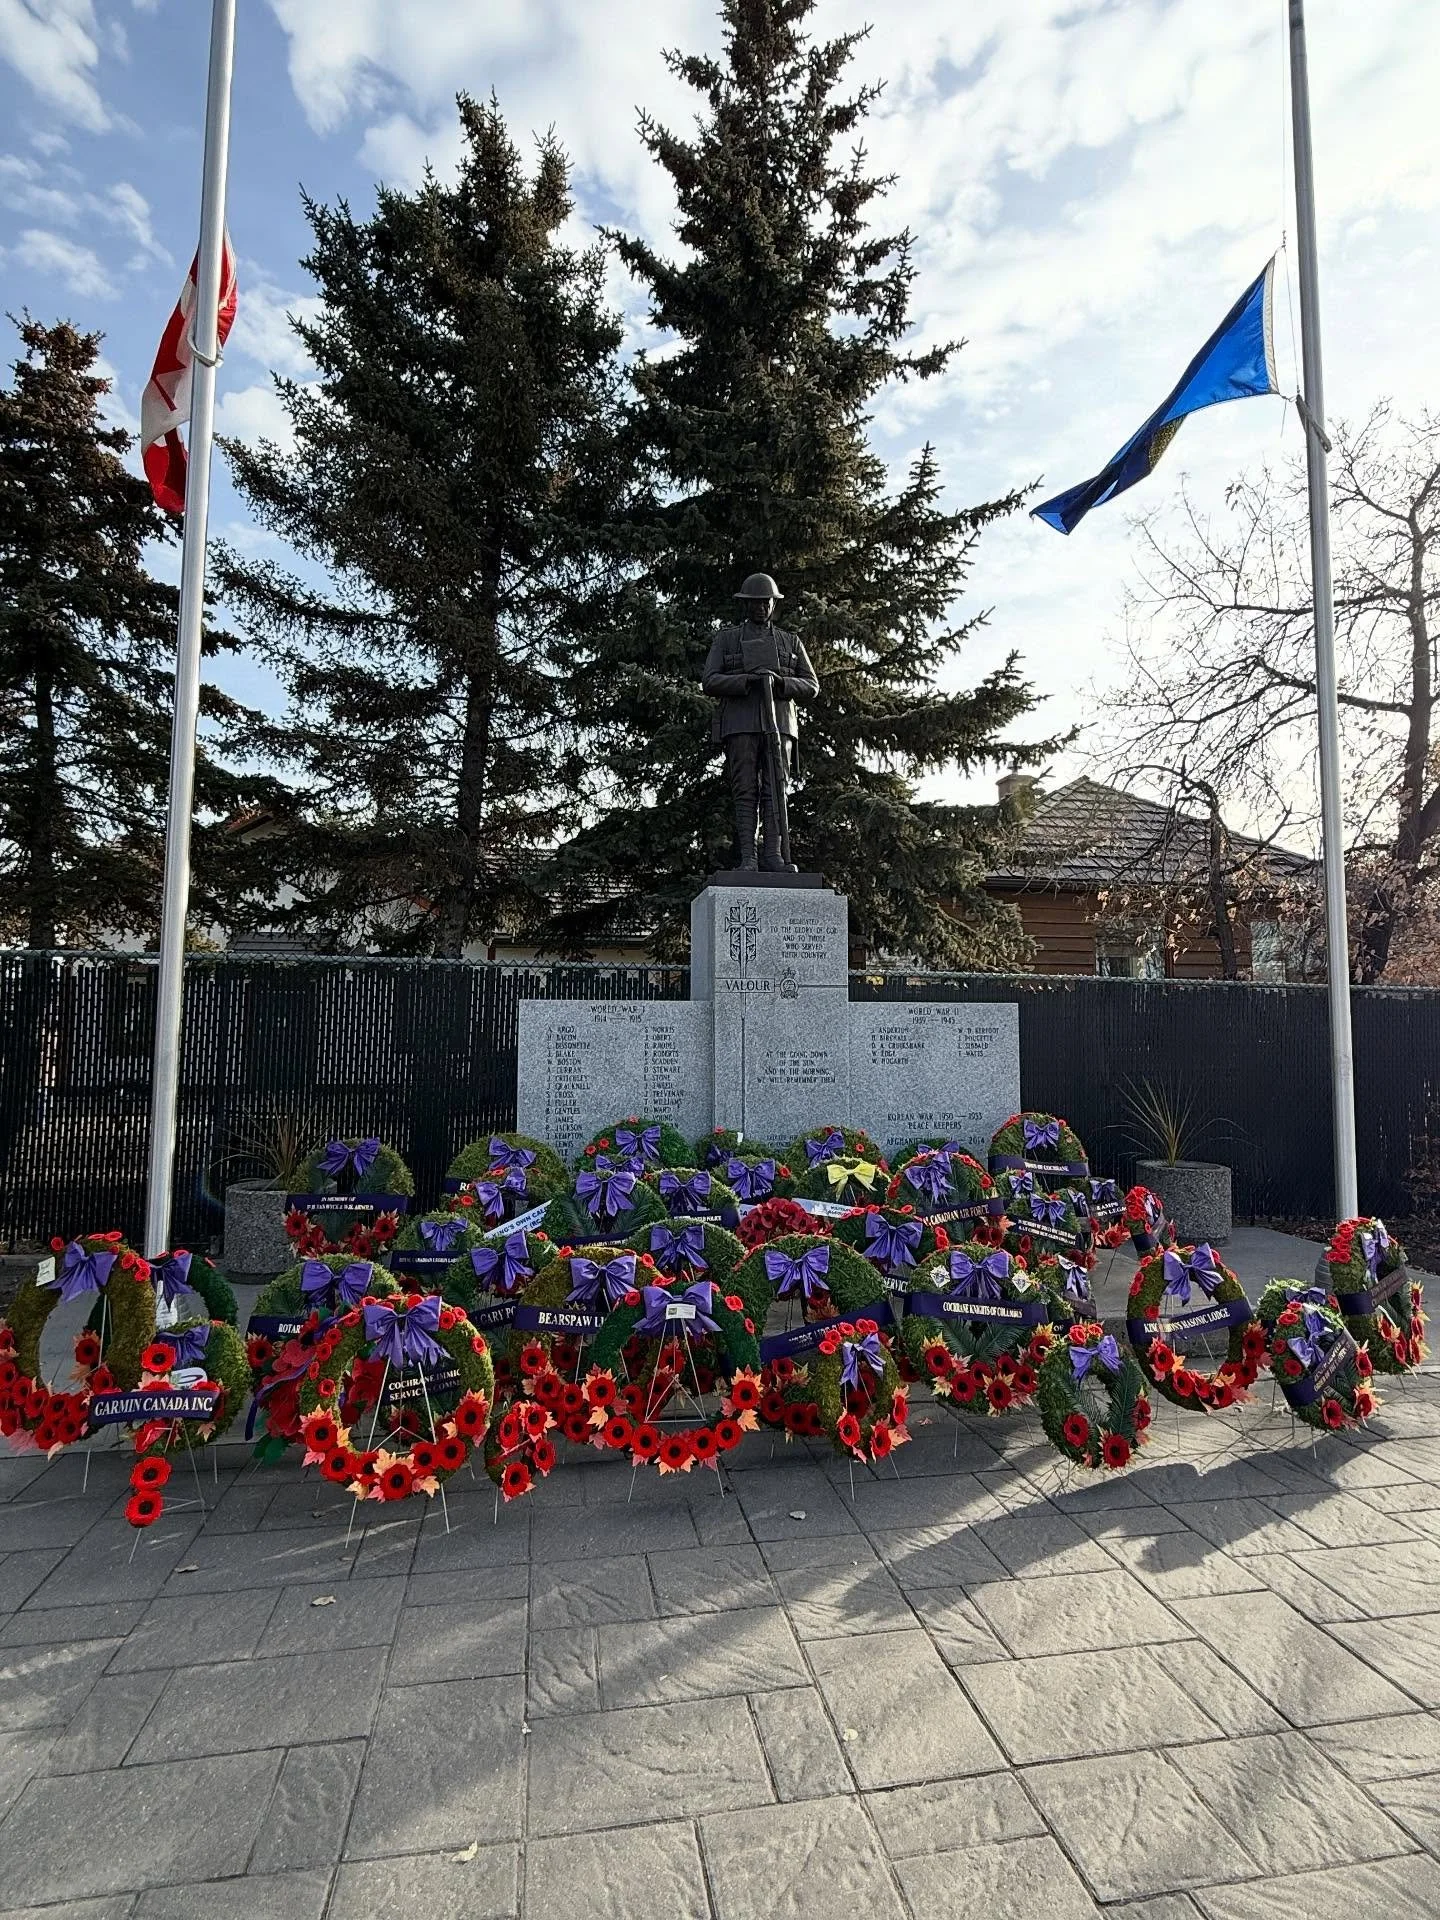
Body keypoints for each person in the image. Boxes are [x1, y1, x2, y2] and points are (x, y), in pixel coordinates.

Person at [701, 572, 819, 872]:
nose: (760, 608)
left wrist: (781, 684)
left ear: (773, 604)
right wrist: (747, 680)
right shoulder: (727, 639)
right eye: (755, 602)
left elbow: (811, 685)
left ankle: (773, 855)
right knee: (745, 789)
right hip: (740, 723)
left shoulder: (790, 641)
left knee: (776, 789)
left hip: (780, 724)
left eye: (765, 602)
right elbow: (710, 680)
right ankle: (748, 858)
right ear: (746, 605)